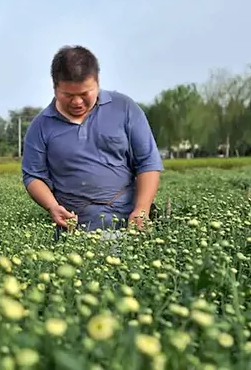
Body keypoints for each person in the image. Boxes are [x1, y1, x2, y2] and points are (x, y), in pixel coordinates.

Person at [22, 45, 163, 237]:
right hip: (75, 231)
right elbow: (33, 176)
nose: (77, 102)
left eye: (84, 93)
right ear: (55, 88)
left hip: (129, 225)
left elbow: (148, 162)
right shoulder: (41, 126)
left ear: (97, 82)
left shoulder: (124, 108)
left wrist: (142, 209)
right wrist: (52, 206)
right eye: (68, 95)